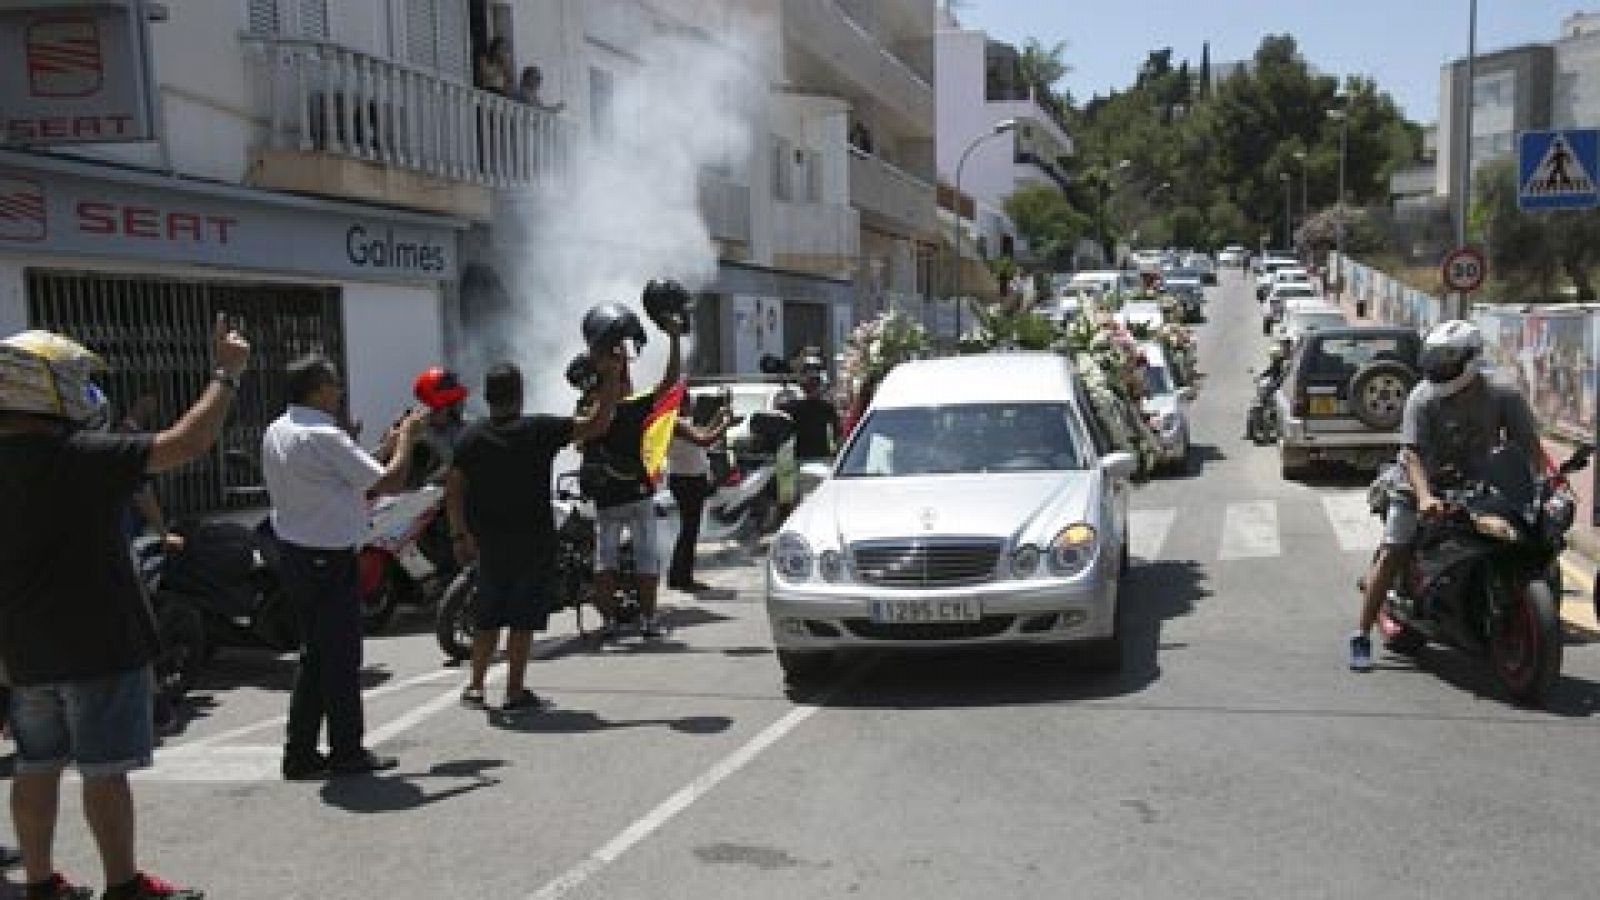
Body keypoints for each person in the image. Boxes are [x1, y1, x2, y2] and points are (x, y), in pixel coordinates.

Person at [0, 317, 247, 900]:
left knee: (36, 765)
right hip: (97, 642)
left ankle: (39, 883)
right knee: (104, 771)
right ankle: (124, 884)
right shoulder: (79, 454)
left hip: (25, 648)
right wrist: (227, 374)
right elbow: (186, 442)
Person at [262, 355, 427, 779]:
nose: (339, 392)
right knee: (339, 658)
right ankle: (346, 751)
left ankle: (300, 752)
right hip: (327, 559)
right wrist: (406, 438)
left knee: (316, 656)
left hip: (298, 553)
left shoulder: (280, 429)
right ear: (317, 389)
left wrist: (381, 448)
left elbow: (345, 476)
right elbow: (391, 481)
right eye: (334, 385)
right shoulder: (323, 435)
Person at [1351, 320, 1541, 671]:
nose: (1438, 369)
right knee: (1396, 546)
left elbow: (1528, 446)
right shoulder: (1421, 397)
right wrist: (1424, 497)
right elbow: (1412, 455)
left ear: (1470, 359)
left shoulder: (1503, 393)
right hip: (1418, 484)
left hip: (1477, 485)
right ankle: (1360, 636)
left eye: (1447, 361)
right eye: (1434, 360)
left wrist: (1545, 485)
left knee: (1528, 531)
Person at [446, 360, 620, 711]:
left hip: (490, 544)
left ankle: (476, 687)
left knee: (487, 617)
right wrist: (612, 379)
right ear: (520, 394)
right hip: (533, 542)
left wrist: (460, 535)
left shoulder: (470, 437)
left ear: (487, 395)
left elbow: (453, 489)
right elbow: (599, 423)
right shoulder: (540, 429)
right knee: (522, 619)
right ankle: (514, 691)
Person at [581, 305, 684, 640]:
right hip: (636, 492)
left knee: (604, 559)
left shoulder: (587, 410)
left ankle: (610, 622)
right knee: (645, 560)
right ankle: (648, 619)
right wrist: (673, 339)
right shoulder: (630, 406)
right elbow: (669, 381)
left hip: (607, 496)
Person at [666, 395, 733, 592]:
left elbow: (702, 432)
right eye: (688, 403)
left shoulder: (682, 423)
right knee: (689, 531)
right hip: (687, 481)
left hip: (690, 480)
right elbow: (705, 440)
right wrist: (726, 424)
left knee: (689, 530)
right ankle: (683, 578)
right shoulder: (675, 423)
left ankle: (678, 576)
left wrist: (718, 417)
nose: (691, 407)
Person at [779, 357, 839, 462]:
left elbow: (837, 432)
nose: (813, 389)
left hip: (817, 456)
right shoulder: (797, 407)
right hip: (805, 456)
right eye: (810, 386)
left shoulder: (826, 407)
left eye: (815, 385)